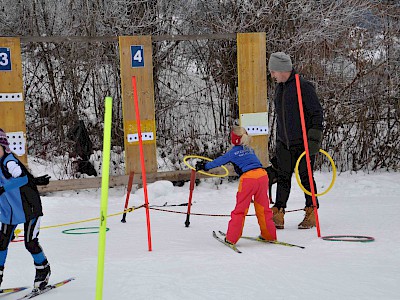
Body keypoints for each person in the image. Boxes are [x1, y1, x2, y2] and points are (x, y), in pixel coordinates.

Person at [268, 52, 324, 230]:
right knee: (283, 177)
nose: (272, 75)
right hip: (284, 143)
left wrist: (314, 140)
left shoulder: (303, 87)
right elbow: (281, 118)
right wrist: (278, 142)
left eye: (273, 72)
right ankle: (279, 212)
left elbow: (317, 114)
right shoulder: (280, 88)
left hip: (303, 143)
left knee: (306, 177)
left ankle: (311, 211)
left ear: (282, 70)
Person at [196, 126, 276, 245]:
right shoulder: (249, 149)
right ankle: (269, 235)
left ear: (233, 139)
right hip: (263, 176)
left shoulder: (233, 153)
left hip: (249, 179)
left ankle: (231, 238)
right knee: (264, 209)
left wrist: (204, 166)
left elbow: (219, 161)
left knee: (240, 210)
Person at [0, 128, 51, 290]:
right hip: (9, 212)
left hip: (29, 208)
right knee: (1, 243)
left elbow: (21, 178)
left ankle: (43, 269)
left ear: (3, 147)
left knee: (30, 242)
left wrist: (3, 188)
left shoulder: (9, 161)